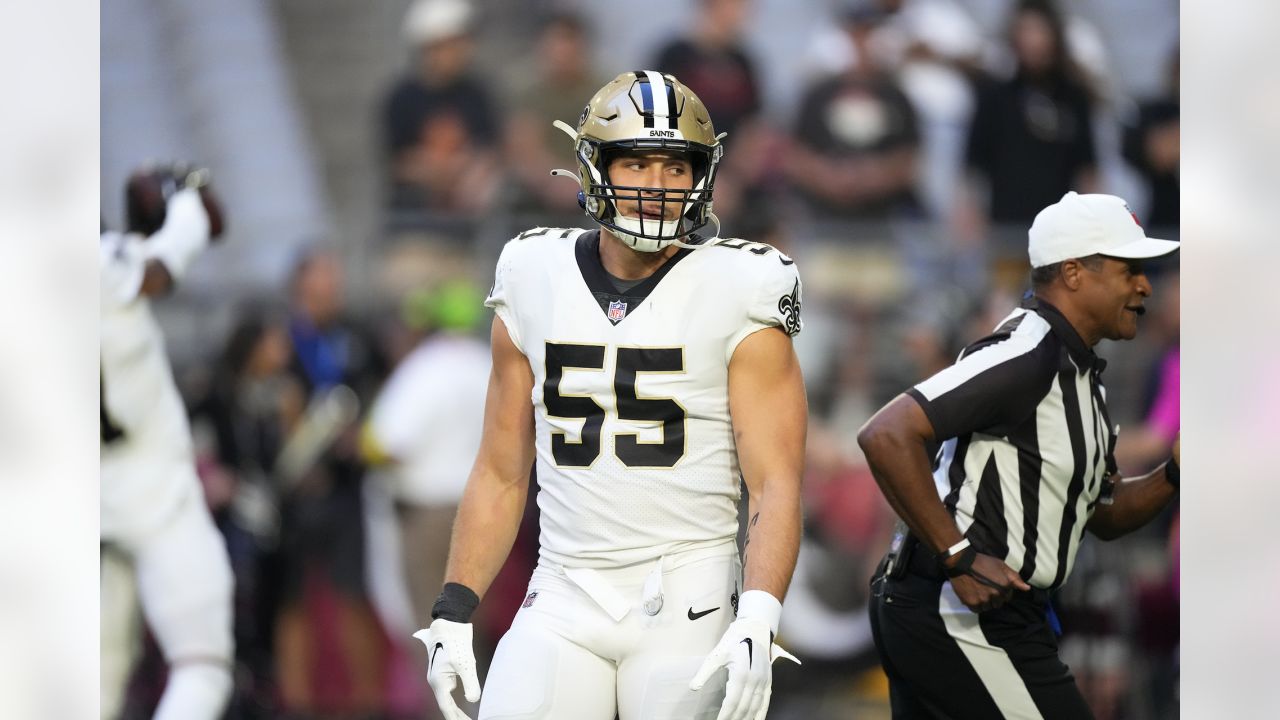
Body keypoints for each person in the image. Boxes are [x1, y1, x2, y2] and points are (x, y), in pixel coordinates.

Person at [415, 71, 806, 720]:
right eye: (637, 162)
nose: (656, 185)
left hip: (691, 594)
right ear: (594, 167)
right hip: (564, 590)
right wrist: (455, 606)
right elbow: (501, 469)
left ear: (702, 177)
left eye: (675, 167)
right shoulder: (531, 273)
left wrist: (760, 613)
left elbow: (776, 483)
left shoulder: (744, 284)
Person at [857, 191, 1181, 719]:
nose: (1146, 286)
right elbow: (887, 433)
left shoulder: (1081, 380)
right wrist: (956, 554)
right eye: (1130, 270)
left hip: (974, 609)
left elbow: (1103, 513)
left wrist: (1174, 472)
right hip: (959, 610)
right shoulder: (1026, 355)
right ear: (1074, 273)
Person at [100, 165, 234, 720]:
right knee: (201, 666)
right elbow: (168, 258)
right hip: (152, 489)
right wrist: (184, 197)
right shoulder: (99, 265)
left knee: (100, 666)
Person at [361, 280, 492, 717]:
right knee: (473, 628)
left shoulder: (426, 367)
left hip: (429, 513)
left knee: (432, 628)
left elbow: (385, 442)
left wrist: (358, 445)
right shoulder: (486, 363)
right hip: (484, 510)